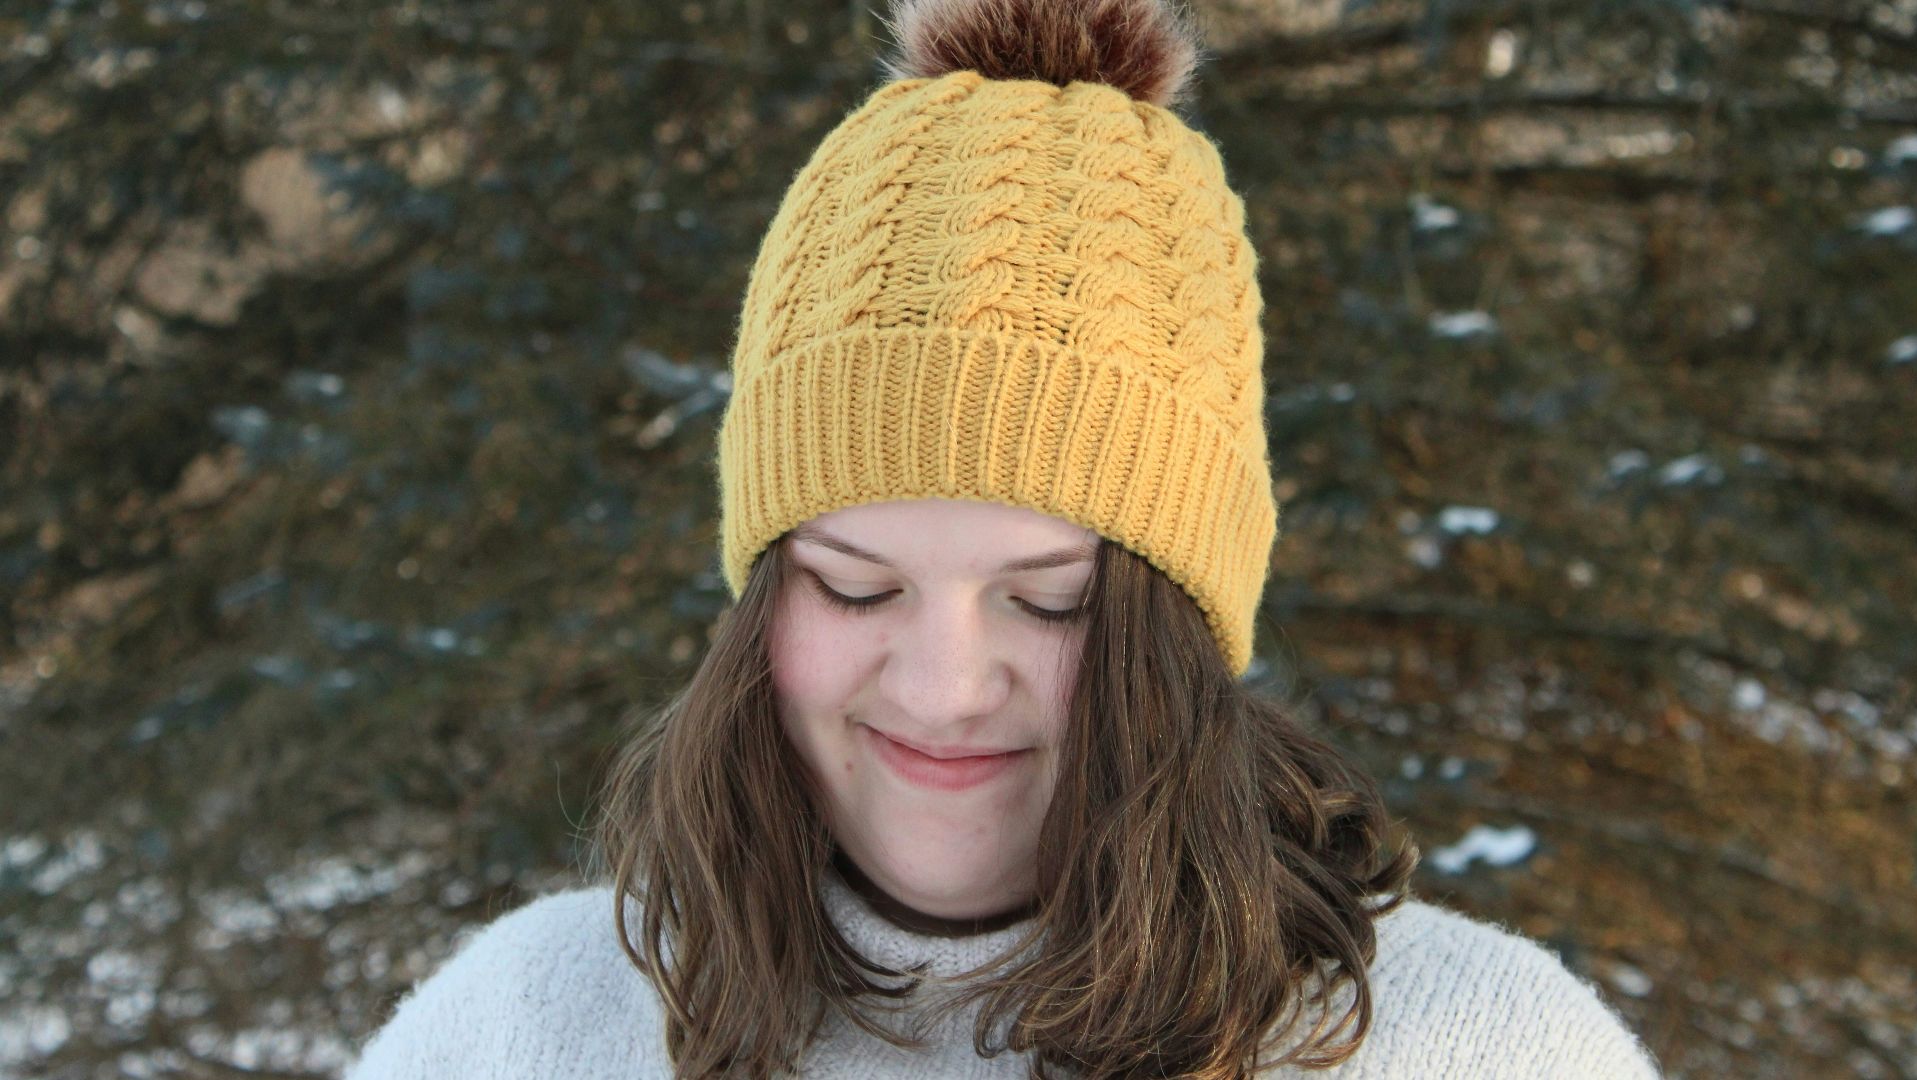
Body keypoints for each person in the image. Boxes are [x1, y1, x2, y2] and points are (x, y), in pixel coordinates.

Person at [344, 0, 1666, 1076]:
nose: (940, 686)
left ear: (1183, 627)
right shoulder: (531, 1025)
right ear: (760, 605)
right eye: (856, 588)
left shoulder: (1477, 1049)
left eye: (1050, 601)